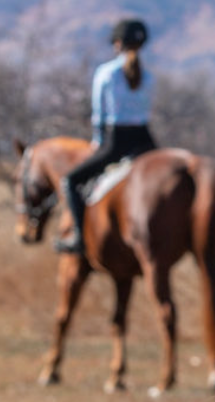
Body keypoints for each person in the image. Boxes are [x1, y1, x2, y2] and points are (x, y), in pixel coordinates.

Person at [56, 18, 158, 255]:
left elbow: (99, 114)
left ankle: (79, 239)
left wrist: (98, 142)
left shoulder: (106, 73)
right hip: (145, 139)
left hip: (117, 140)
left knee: (70, 182)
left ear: (118, 44)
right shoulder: (149, 77)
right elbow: (147, 111)